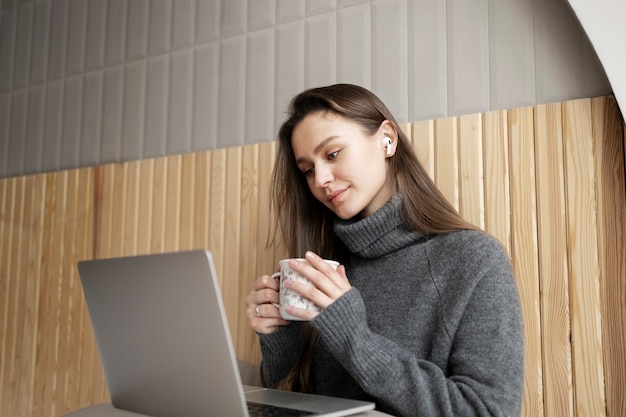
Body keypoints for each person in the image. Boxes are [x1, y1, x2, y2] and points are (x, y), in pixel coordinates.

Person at [245, 83, 524, 417]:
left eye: (332, 154)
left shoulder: (474, 260)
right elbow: (296, 407)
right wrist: (280, 339)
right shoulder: (327, 267)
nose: (319, 179)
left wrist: (353, 336)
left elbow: (487, 412)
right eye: (307, 169)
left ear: (387, 139)